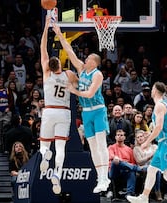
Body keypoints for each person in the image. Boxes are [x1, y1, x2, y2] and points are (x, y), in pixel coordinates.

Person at [53, 22, 111, 193]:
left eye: (88, 59)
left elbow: (90, 94)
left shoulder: (97, 74)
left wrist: (73, 90)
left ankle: (104, 176)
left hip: (98, 110)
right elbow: (70, 52)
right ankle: (99, 178)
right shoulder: (81, 69)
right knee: (92, 146)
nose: (84, 60)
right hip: (86, 113)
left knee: (101, 144)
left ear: (94, 63)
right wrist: (59, 34)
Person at [38, 15, 78, 195]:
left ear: (49, 66)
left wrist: (46, 27)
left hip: (48, 111)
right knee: (61, 147)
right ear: (60, 64)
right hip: (64, 112)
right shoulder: (68, 74)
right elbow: (79, 82)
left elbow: (42, 47)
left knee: (44, 146)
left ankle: (46, 154)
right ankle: (57, 172)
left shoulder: (47, 74)